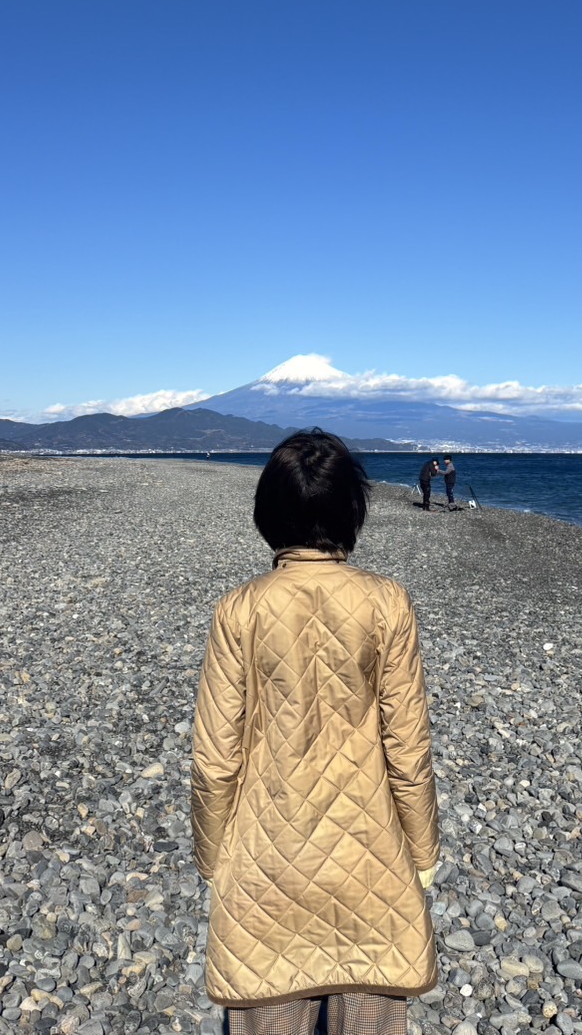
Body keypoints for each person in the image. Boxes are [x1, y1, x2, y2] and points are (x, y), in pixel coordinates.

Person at [191, 429, 441, 1034]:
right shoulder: (387, 602)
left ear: (269, 512)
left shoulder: (240, 608)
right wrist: (423, 852)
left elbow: (216, 757)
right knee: (373, 1009)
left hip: (265, 858)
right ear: (351, 509)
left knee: (268, 1005)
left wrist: (212, 857)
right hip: (371, 854)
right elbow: (407, 746)